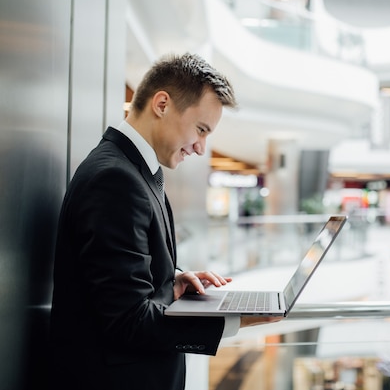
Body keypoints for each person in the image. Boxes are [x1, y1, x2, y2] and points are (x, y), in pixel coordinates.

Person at [50, 53, 281, 390]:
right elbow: (126, 321)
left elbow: (113, 282)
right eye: (201, 129)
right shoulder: (115, 179)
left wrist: (169, 279)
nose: (201, 148)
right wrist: (232, 320)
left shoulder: (133, 171)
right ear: (162, 104)